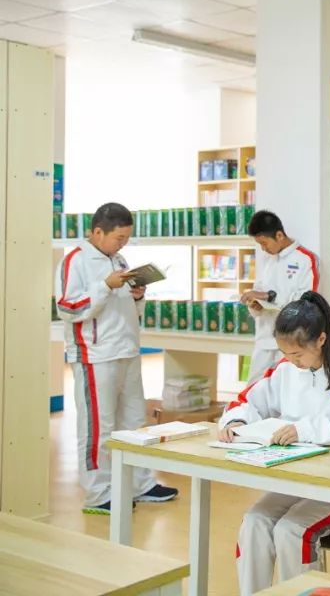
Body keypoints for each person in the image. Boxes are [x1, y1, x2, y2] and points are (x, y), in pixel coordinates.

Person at [219, 291, 330, 596]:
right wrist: (236, 421)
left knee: (291, 530)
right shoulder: (285, 369)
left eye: (297, 354)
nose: (292, 362)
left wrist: (306, 430)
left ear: (321, 339)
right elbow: (245, 400)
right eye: (286, 354)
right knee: (254, 522)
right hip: (296, 478)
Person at [54, 202, 178, 514]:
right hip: (96, 355)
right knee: (98, 427)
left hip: (127, 350)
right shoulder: (76, 260)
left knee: (134, 421)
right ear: (98, 232)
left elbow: (123, 307)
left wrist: (137, 296)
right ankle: (99, 493)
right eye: (119, 237)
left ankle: (140, 483)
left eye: (126, 238)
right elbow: (67, 308)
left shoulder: (119, 259)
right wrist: (105, 286)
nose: (123, 243)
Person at [240, 210, 320, 382]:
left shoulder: (306, 259)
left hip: (291, 342)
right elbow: (259, 290)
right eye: (259, 244)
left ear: (279, 235)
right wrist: (256, 305)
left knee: (288, 389)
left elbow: (306, 302)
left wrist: (268, 297)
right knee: (254, 389)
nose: (263, 249)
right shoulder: (267, 260)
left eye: (264, 243)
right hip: (264, 339)